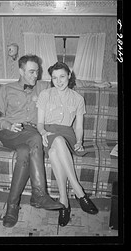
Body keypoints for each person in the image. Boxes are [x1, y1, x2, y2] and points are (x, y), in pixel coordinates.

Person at [0, 55, 63, 228]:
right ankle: (39, 194)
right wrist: (8, 125)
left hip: (31, 132)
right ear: (21, 71)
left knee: (25, 151)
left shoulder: (43, 87)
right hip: (10, 133)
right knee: (34, 138)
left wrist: (99, 83)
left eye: (37, 71)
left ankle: (12, 207)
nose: (35, 75)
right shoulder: (6, 89)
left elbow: (65, 82)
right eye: (31, 72)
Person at [36, 62, 99, 227]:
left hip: (67, 135)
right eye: (54, 77)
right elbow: (40, 124)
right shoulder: (45, 94)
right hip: (49, 133)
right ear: (51, 79)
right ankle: (79, 192)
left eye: (62, 76)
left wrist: (79, 142)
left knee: (55, 151)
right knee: (56, 142)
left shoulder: (78, 99)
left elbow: (78, 126)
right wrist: (42, 133)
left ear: (69, 76)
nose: (58, 81)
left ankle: (64, 201)